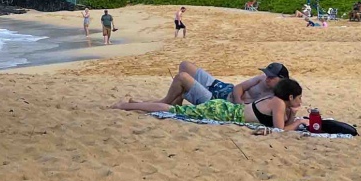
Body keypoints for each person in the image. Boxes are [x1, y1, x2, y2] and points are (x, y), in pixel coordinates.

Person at [112, 78, 307, 131]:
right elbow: (280, 130)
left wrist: (293, 114)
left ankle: (133, 104)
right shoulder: (278, 104)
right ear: (290, 96)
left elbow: (278, 123)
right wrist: (297, 123)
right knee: (175, 110)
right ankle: (125, 107)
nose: (300, 101)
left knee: (177, 110)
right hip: (223, 113)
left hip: (227, 110)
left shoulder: (278, 102)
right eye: (298, 98)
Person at [147, 61, 290, 107]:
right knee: (185, 65)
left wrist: (237, 104)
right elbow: (239, 87)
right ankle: (175, 103)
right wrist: (239, 100)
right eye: (267, 75)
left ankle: (163, 103)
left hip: (219, 101)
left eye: (271, 77)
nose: (267, 78)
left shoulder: (275, 98)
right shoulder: (262, 79)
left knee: (182, 77)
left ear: (281, 79)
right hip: (223, 88)